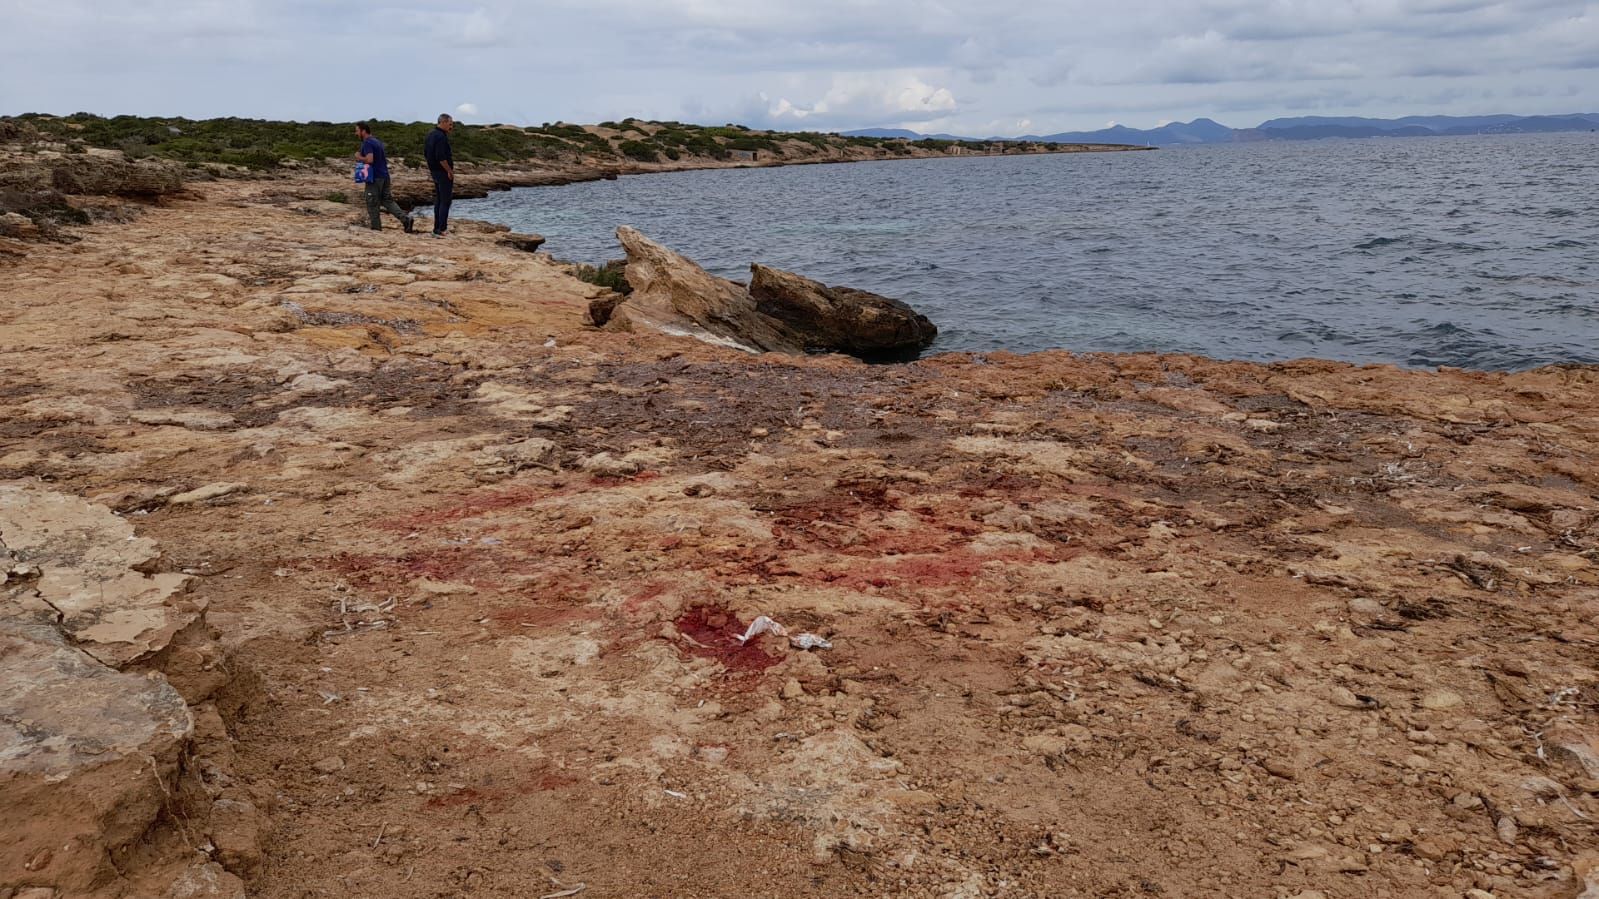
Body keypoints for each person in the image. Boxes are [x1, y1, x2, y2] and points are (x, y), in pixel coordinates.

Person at [354, 123, 414, 233]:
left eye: (357, 131)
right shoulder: (377, 142)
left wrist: (359, 157)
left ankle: (376, 229)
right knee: (387, 200)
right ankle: (405, 219)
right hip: (385, 175)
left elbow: (369, 160)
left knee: (372, 202)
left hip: (375, 177)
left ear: (363, 131)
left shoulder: (367, 143)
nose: (356, 133)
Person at [424, 114, 455, 238]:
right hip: (442, 172)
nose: (451, 127)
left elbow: (426, 153)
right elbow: (441, 157)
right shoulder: (441, 137)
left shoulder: (431, 134)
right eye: (450, 124)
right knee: (445, 201)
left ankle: (436, 228)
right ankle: (441, 229)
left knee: (439, 200)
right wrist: (449, 171)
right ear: (443, 122)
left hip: (434, 171)